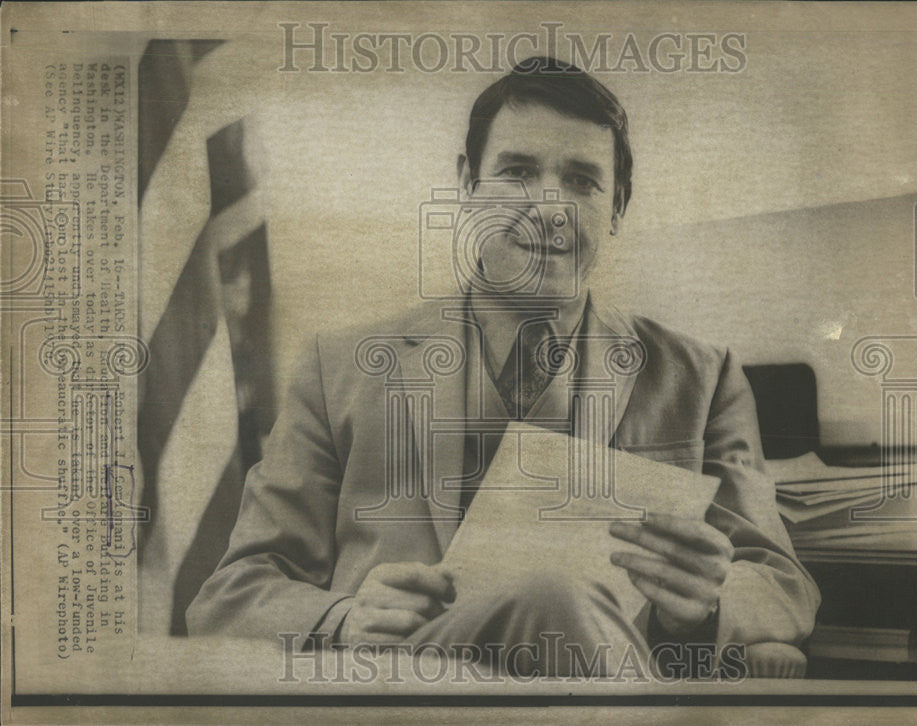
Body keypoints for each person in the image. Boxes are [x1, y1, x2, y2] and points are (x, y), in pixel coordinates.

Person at [187, 56, 819, 677]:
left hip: (603, 669)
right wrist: (344, 618)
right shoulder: (338, 370)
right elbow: (229, 596)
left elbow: (783, 585)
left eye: (582, 181)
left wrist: (703, 611)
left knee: (557, 594)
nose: (547, 208)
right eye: (517, 172)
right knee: (552, 591)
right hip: (403, 691)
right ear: (467, 183)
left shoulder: (703, 378)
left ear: (618, 209)